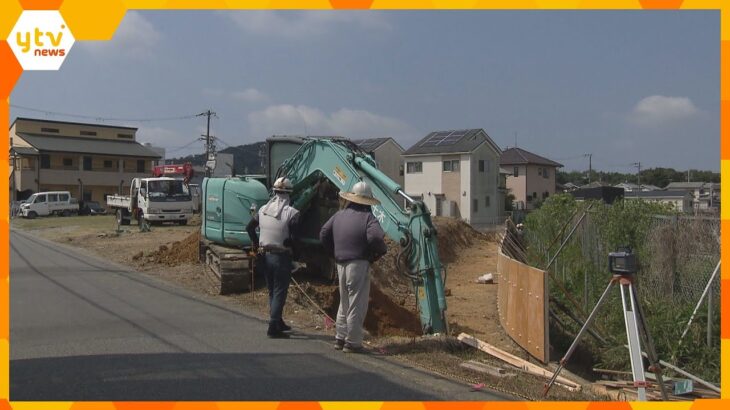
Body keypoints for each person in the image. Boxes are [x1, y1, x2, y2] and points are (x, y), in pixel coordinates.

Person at [320, 181, 387, 353]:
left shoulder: (339, 215)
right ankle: (353, 342)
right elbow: (375, 238)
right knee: (357, 303)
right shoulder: (368, 218)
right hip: (358, 263)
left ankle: (340, 338)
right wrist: (378, 252)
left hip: (340, 263)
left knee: (344, 302)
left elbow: (323, 233)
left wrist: (332, 252)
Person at [246, 177, 300, 338]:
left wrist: (255, 245)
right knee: (279, 291)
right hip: (281, 257)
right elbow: (295, 239)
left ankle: (278, 321)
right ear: (290, 194)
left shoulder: (263, 210)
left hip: (264, 256)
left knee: (272, 290)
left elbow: (249, 227)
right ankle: (273, 326)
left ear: (274, 191)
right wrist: (296, 255)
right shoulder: (292, 213)